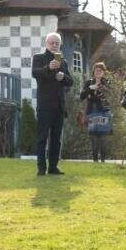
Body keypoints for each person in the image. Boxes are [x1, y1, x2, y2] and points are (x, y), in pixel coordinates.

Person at [32, 32, 73, 175]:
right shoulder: (39, 58)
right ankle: (41, 168)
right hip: (44, 106)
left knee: (56, 140)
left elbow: (70, 82)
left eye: (57, 43)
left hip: (59, 107)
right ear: (46, 43)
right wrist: (48, 68)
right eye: (52, 42)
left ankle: (53, 167)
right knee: (42, 138)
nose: (54, 45)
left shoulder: (64, 61)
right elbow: (35, 73)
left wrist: (63, 77)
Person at [80, 62, 112, 162]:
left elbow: (110, 97)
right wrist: (90, 88)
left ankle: (103, 160)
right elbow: (82, 96)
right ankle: (95, 161)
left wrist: (98, 90)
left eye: (100, 70)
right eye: (96, 70)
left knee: (103, 138)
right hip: (92, 112)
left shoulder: (107, 82)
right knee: (93, 137)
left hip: (103, 112)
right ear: (93, 71)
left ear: (103, 72)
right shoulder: (88, 83)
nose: (98, 72)